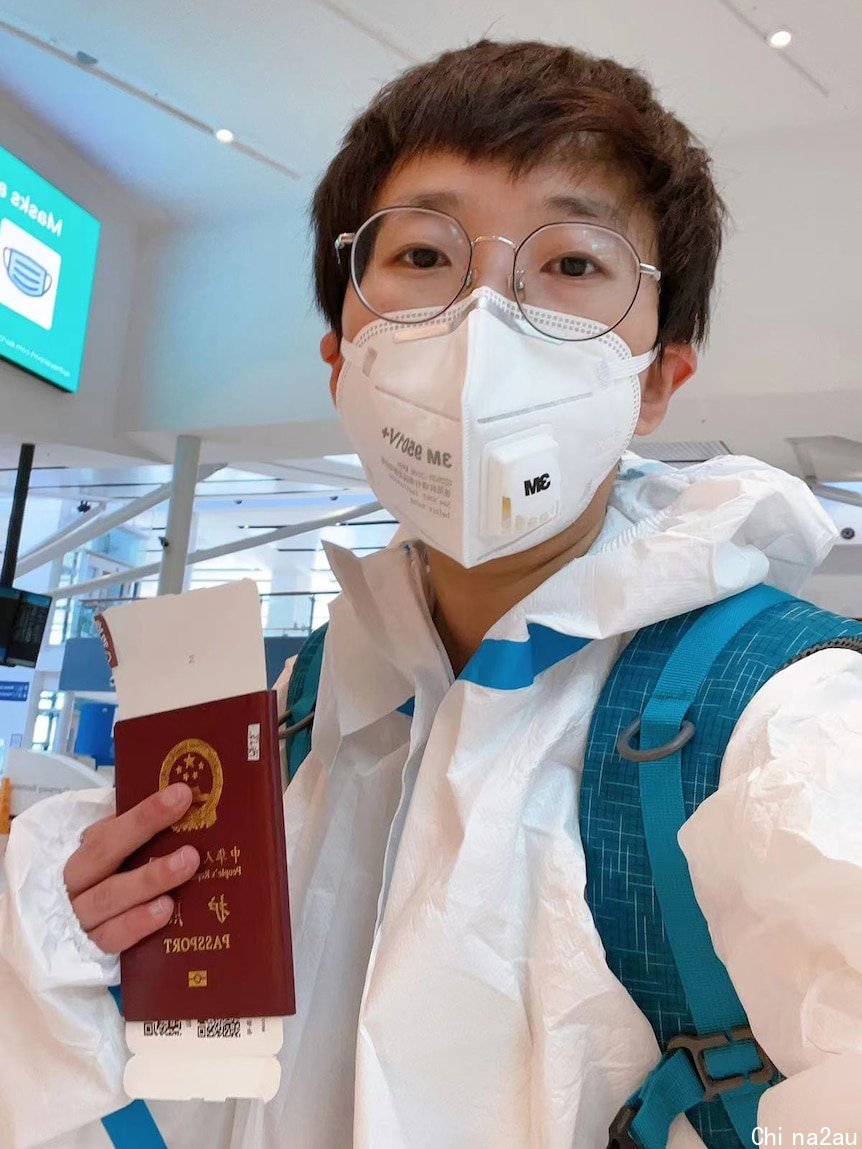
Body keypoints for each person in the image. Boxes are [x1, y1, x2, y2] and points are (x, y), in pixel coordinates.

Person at [1, 38, 861, 1149]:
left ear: (657, 380)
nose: (479, 327)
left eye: (572, 265)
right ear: (341, 356)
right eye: (421, 254)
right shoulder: (292, 718)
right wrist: (75, 960)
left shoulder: (781, 732)